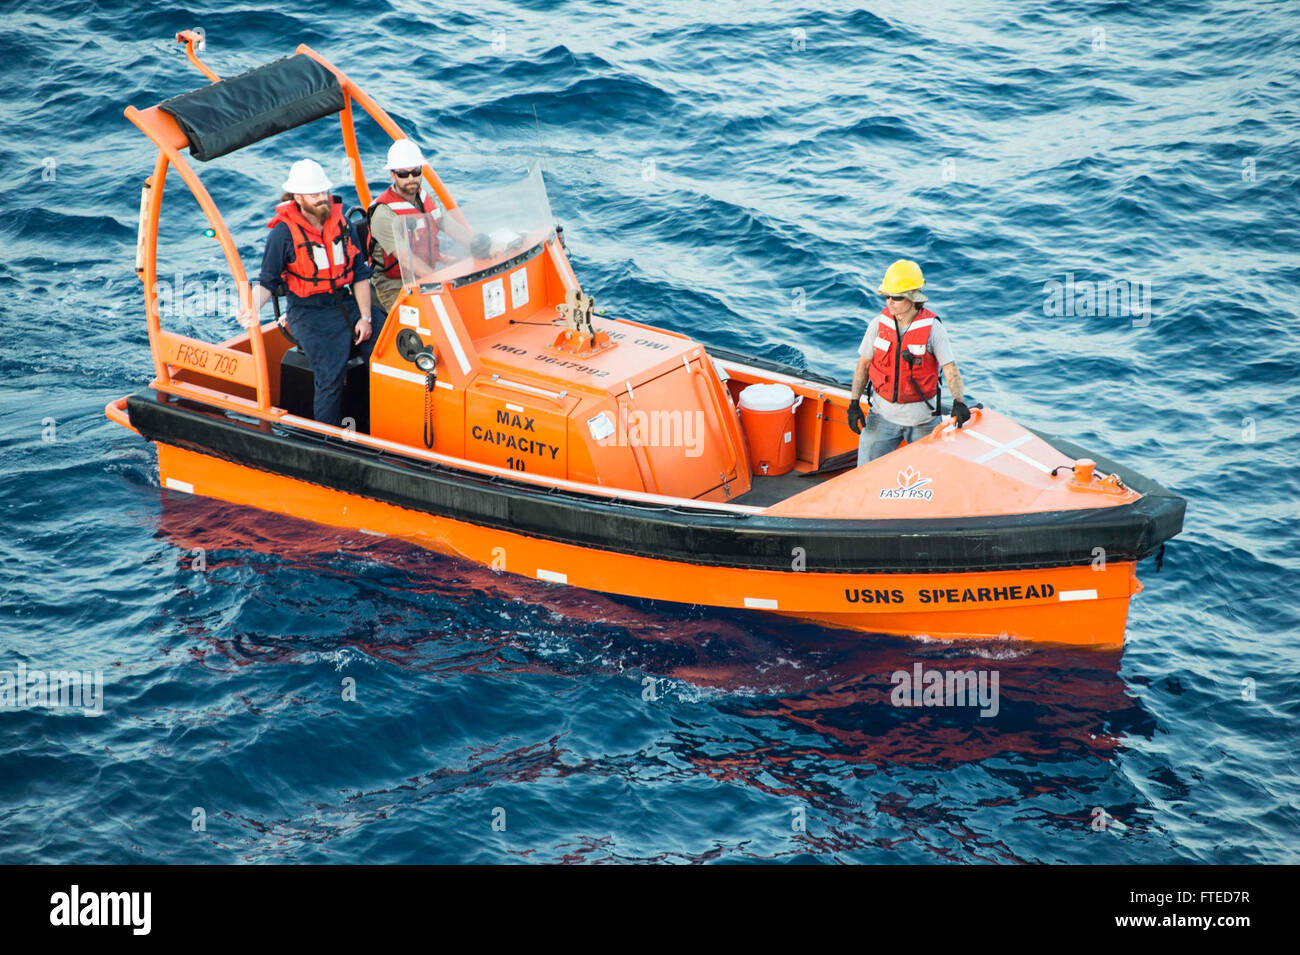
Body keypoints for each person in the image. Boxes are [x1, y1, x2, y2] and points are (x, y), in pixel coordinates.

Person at [237, 158, 376, 427]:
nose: (322, 198)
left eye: (324, 192)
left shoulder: (342, 225)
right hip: (306, 312)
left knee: (387, 347)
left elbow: (359, 274)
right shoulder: (283, 234)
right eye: (314, 194)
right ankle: (326, 440)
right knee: (330, 376)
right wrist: (251, 309)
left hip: (345, 304)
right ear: (298, 197)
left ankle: (376, 422)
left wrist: (366, 318)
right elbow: (267, 281)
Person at [847, 259, 970, 464]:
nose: (889, 302)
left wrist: (959, 402)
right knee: (865, 473)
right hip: (881, 418)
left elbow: (950, 369)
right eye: (886, 296)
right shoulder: (877, 325)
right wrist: (853, 403)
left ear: (913, 298)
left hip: (923, 421)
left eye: (895, 297)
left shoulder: (933, 330)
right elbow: (863, 365)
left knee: (927, 479)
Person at [366, 139, 457, 316]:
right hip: (395, 285)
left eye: (415, 172)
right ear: (392, 175)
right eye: (403, 174)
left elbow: (450, 226)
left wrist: (478, 245)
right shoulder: (383, 213)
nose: (411, 179)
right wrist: (437, 279)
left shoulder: (426, 198)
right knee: (430, 320)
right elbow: (405, 257)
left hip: (426, 274)